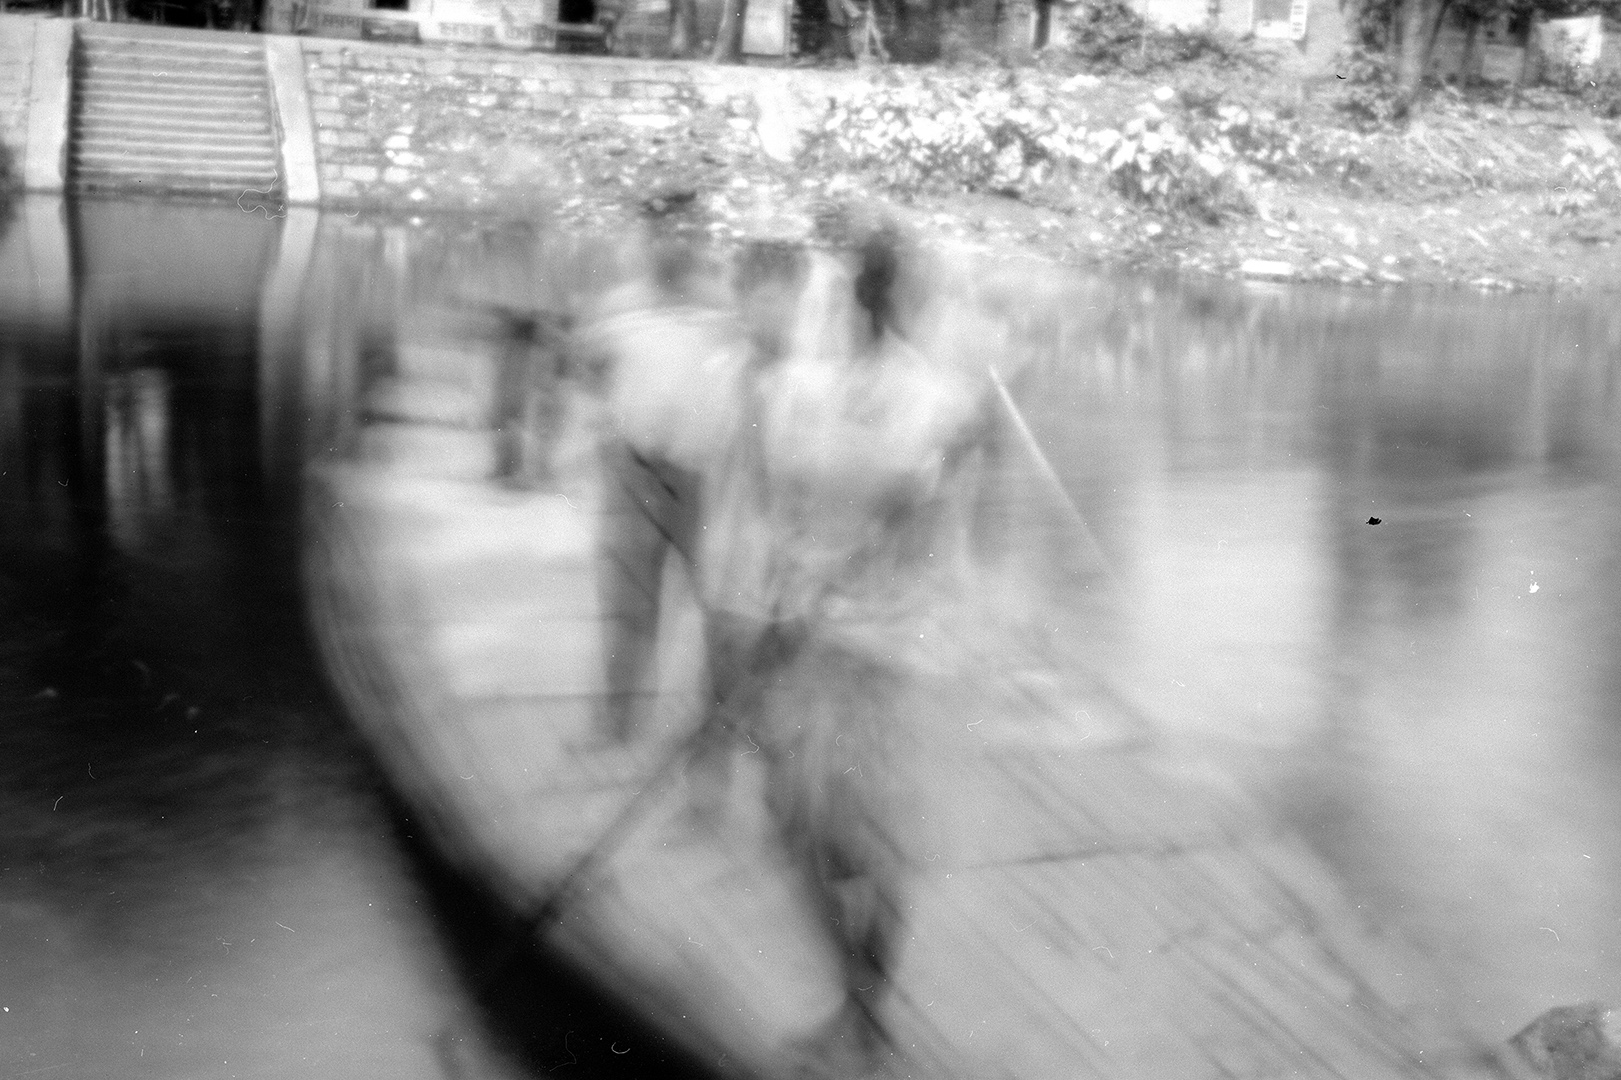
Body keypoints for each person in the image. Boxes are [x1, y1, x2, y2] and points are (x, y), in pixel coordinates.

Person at [689, 222, 1000, 1074]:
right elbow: (774, 505)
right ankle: (859, 999)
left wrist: (963, 453)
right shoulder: (806, 389)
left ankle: (862, 1010)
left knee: (869, 836)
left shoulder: (939, 404)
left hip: (896, 646)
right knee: (795, 825)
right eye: (889, 288)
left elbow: (948, 519)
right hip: (812, 634)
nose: (886, 303)